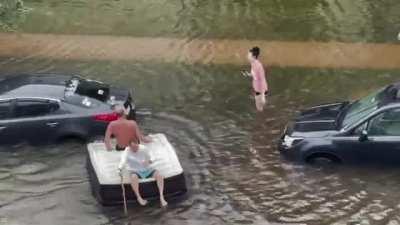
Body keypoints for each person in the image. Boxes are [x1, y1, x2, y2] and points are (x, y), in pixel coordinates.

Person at [118, 140, 168, 207]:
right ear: (129, 146)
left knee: (159, 176)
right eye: (132, 147)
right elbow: (123, 160)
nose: (134, 149)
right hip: (135, 170)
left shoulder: (143, 148)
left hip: (147, 169)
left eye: (136, 146)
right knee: (133, 178)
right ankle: (139, 197)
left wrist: (149, 161)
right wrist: (120, 168)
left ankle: (161, 196)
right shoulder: (127, 151)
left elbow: (153, 156)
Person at [243, 46, 269, 112]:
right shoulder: (253, 63)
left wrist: (263, 96)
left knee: (259, 109)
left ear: (254, 57)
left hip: (261, 90)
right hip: (257, 88)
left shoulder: (259, 66)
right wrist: (248, 74)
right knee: (259, 107)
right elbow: (255, 75)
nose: (247, 56)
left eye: (249, 55)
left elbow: (262, 79)